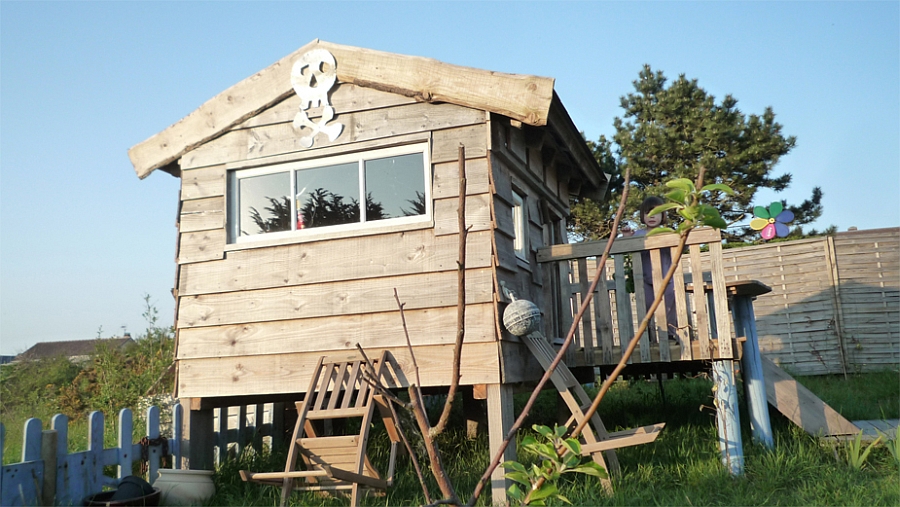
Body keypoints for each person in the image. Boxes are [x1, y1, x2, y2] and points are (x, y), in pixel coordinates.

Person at [621, 196, 679, 341]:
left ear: (663, 215)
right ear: (642, 216)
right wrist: (627, 236)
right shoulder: (639, 235)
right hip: (645, 279)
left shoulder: (668, 232)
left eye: (656, 213)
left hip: (667, 279)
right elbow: (625, 247)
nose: (651, 217)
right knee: (645, 306)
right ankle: (647, 334)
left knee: (669, 307)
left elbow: (683, 245)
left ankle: (671, 334)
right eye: (647, 213)